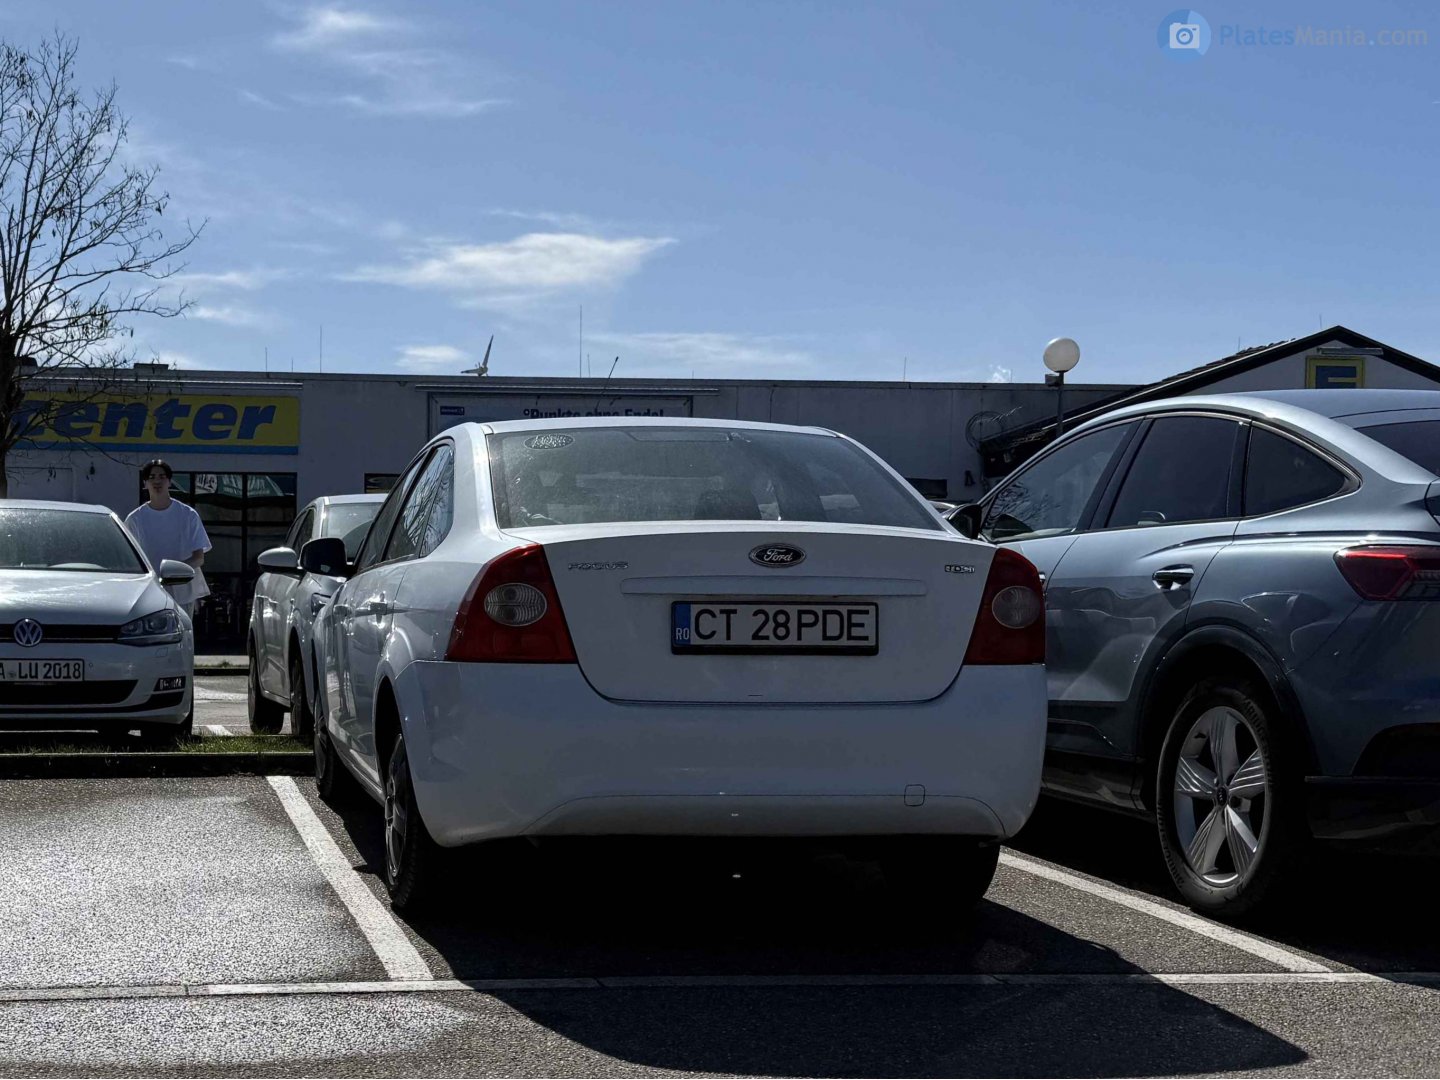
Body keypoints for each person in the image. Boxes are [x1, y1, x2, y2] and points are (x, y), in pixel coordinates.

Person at [123, 459, 212, 620]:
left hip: (183, 592)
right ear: (145, 483)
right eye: (152, 477)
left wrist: (174, 574)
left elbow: (199, 558)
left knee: (183, 636)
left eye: (162, 476)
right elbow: (128, 559)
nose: (157, 481)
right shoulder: (135, 519)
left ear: (169, 482)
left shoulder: (188, 515)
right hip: (148, 593)